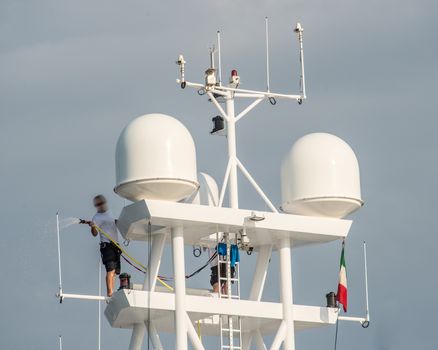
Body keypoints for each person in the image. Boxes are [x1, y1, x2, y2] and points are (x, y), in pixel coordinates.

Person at [87, 195, 121, 297]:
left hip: (115, 245)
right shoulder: (96, 218)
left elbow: (111, 223)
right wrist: (93, 227)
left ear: (104, 202)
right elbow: (94, 234)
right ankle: (110, 293)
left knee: (114, 271)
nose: (99, 206)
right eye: (97, 204)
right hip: (107, 246)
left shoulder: (110, 213)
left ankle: (113, 291)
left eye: (101, 203)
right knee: (110, 269)